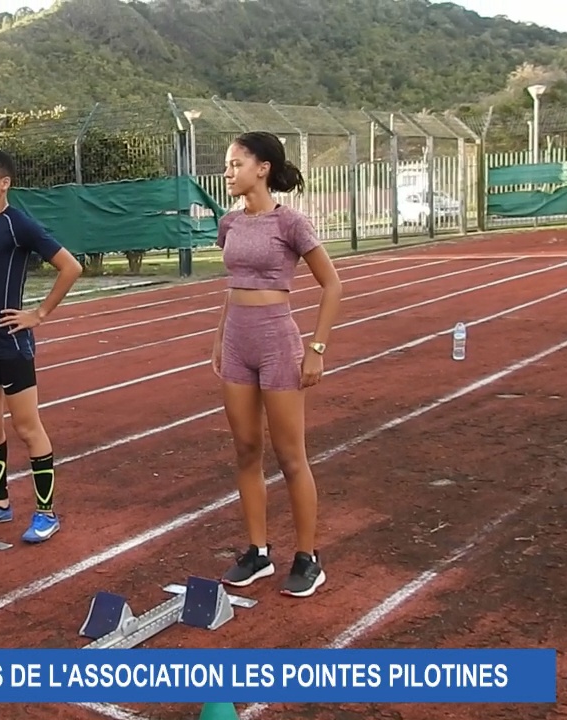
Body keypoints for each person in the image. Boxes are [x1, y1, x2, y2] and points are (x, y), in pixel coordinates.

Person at [211, 131, 342, 598]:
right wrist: (220, 337)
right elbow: (234, 286)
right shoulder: (229, 224)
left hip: (277, 341)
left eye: (235, 164)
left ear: (262, 168)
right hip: (238, 344)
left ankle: (308, 557)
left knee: (290, 457)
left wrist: (317, 348)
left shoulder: (291, 224)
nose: (228, 172)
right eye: (227, 165)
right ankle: (258, 551)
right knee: (246, 450)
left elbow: (333, 285)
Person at [0, 149, 82, 544]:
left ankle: (46, 512)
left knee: (28, 428)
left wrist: (38, 314)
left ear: (4, 183)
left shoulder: (17, 225)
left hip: (12, 346)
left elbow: (71, 266)